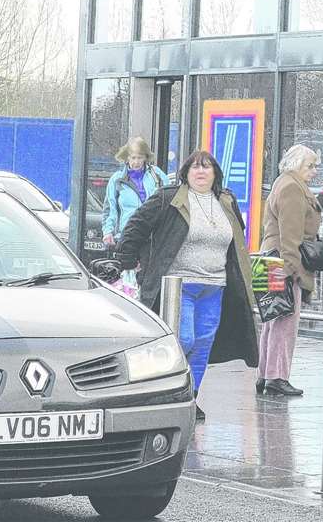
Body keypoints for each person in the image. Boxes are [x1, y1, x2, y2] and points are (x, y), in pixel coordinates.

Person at [99, 150, 258, 420]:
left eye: (206, 167)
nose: (200, 172)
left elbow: (237, 245)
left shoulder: (225, 202)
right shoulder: (169, 198)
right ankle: (165, 391)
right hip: (179, 284)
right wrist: (128, 259)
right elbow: (137, 225)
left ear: (215, 173)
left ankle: (189, 399)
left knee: (204, 345)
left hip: (214, 285)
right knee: (184, 339)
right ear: (185, 173)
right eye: (194, 167)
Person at [257, 144, 323, 398]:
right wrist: (292, 270)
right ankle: (276, 377)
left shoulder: (282, 183)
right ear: (296, 164)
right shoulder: (292, 188)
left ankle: (266, 374)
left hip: (272, 258)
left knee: (273, 319)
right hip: (283, 262)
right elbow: (291, 234)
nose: (315, 171)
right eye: (311, 165)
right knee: (285, 321)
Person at [102, 138, 165, 250]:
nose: (136, 162)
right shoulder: (117, 179)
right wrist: (108, 232)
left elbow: (169, 198)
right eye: (133, 157)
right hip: (126, 236)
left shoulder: (157, 175)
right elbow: (110, 209)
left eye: (140, 157)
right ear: (127, 158)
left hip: (152, 237)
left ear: (145, 157)